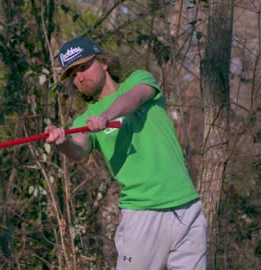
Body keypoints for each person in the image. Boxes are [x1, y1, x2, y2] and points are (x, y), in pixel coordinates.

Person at [45, 37, 207, 269]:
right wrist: (61, 142)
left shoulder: (140, 79)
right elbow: (78, 149)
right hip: (142, 214)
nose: (79, 77)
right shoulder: (85, 119)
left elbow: (134, 98)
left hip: (187, 206)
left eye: (83, 67)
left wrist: (107, 116)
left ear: (103, 63)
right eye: (73, 74)